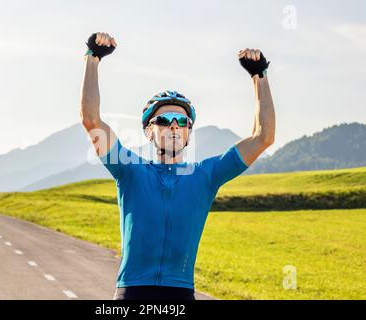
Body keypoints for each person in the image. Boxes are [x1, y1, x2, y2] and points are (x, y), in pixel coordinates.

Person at [79, 32, 275, 300]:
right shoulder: (129, 170)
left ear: (188, 132)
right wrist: (93, 58)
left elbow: (263, 137)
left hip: (181, 293)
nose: (174, 125)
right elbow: (91, 120)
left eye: (182, 122)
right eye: (164, 120)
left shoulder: (206, 175)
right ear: (148, 132)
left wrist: (259, 76)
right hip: (132, 293)